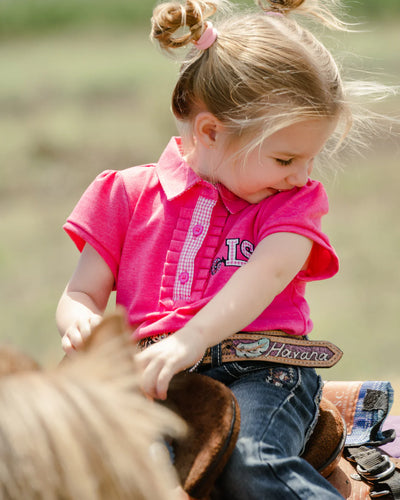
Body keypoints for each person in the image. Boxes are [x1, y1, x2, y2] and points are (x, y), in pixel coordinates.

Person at [56, 0, 368, 497]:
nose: (302, 174)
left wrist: (190, 339)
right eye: (286, 157)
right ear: (210, 131)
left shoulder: (292, 204)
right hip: (147, 375)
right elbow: (81, 294)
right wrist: (80, 323)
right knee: (120, 469)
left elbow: (265, 275)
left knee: (252, 460)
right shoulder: (125, 195)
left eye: (310, 158)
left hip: (261, 371)